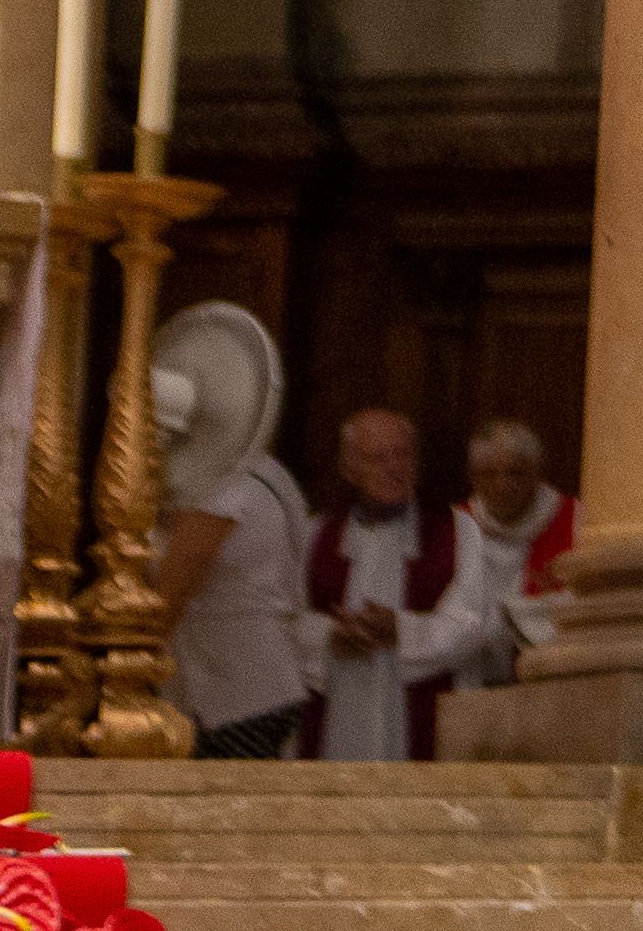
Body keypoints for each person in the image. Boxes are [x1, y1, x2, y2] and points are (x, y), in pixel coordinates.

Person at [145, 302, 310, 762]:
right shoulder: (267, 473)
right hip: (246, 685)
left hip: (236, 692)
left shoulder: (222, 486)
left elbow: (172, 593)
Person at [301, 407, 507, 762]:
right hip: (338, 712)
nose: (394, 468)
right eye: (377, 458)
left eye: (402, 454)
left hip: (419, 714)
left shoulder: (457, 531)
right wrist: (333, 636)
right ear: (349, 468)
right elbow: (286, 620)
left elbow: (476, 622)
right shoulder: (317, 534)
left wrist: (401, 629)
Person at [444, 418, 575, 691]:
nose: (502, 486)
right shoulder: (455, 527)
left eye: (515, 473)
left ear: (537, 473)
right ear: (472, 477)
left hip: (549, 681)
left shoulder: (575, 521)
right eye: (489, 474)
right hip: (471, 682)